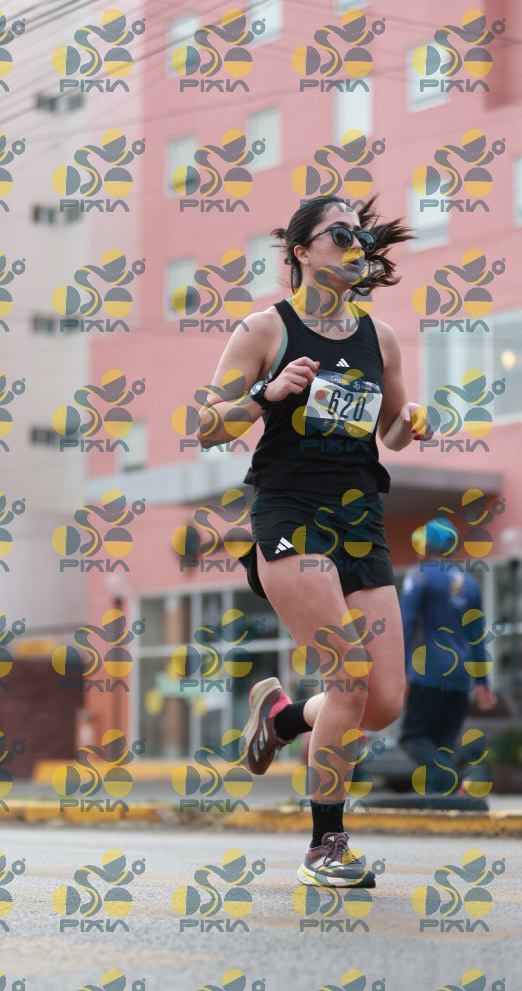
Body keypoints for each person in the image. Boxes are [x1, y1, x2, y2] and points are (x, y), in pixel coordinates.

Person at [196, 194, 432, 888]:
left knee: (382, 700)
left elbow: (389, 432)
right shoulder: (264, 328)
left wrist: (410, 423)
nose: (356, 245)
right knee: (348, 680)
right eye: (340, 235)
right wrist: (267, 395)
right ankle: (326, 843)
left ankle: (282, 716)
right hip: (291, 514)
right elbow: (207, 426)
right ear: (302, 251)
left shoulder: (380, 337)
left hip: (360, 520)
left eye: (360, 235)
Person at [399, 518, 498, 778]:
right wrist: (482, 682)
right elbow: (477, 636)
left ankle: (453, 781)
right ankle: (449, 793)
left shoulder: (419, 575)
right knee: (442, 747)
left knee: (413, 738)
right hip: (460, 678)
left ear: (428, 545)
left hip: (427, 673)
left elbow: (406, 623)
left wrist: (400, 669)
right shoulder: (470, 583)